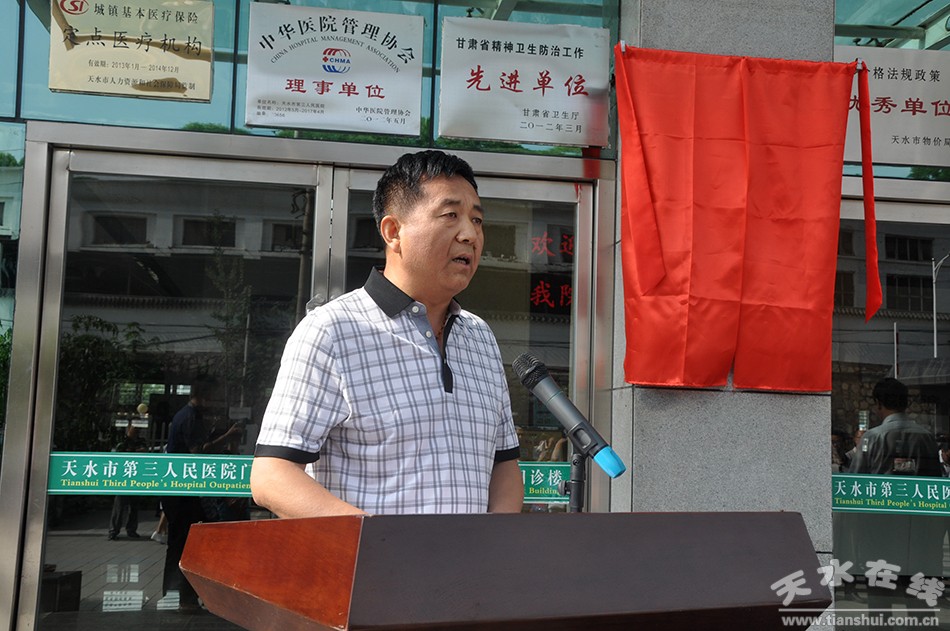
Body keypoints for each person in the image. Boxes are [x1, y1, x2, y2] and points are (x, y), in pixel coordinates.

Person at [251, 150, 523, 517]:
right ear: (393, 232)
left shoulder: (480, 338)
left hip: (473, 557)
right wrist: (377, 540)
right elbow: (272, 476)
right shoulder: (332, 331)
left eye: (477, 220)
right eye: (450, 216)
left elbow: (504, 464)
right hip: (370, 555)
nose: (470, 234)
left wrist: (495, 541)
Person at [162, 379, 244, 613]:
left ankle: (180, 594)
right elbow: (198, 452)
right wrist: (227, 436)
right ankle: (182, 596)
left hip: (181, 490)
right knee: (185, 543)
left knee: (182, 543)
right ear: (203, 395)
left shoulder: (187, 415)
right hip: (183, 492)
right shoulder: (190, 417)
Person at [107, 421, 148, 540]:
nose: (136, 430)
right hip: (123, 477)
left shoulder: (141, 441)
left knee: (134, 505)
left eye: (138, 428)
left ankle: (131, 529)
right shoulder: (123, 441)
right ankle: (113, 530)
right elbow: (118, 454)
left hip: (136, 476)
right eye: (134, 428)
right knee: (119, 505)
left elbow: (145, 452)